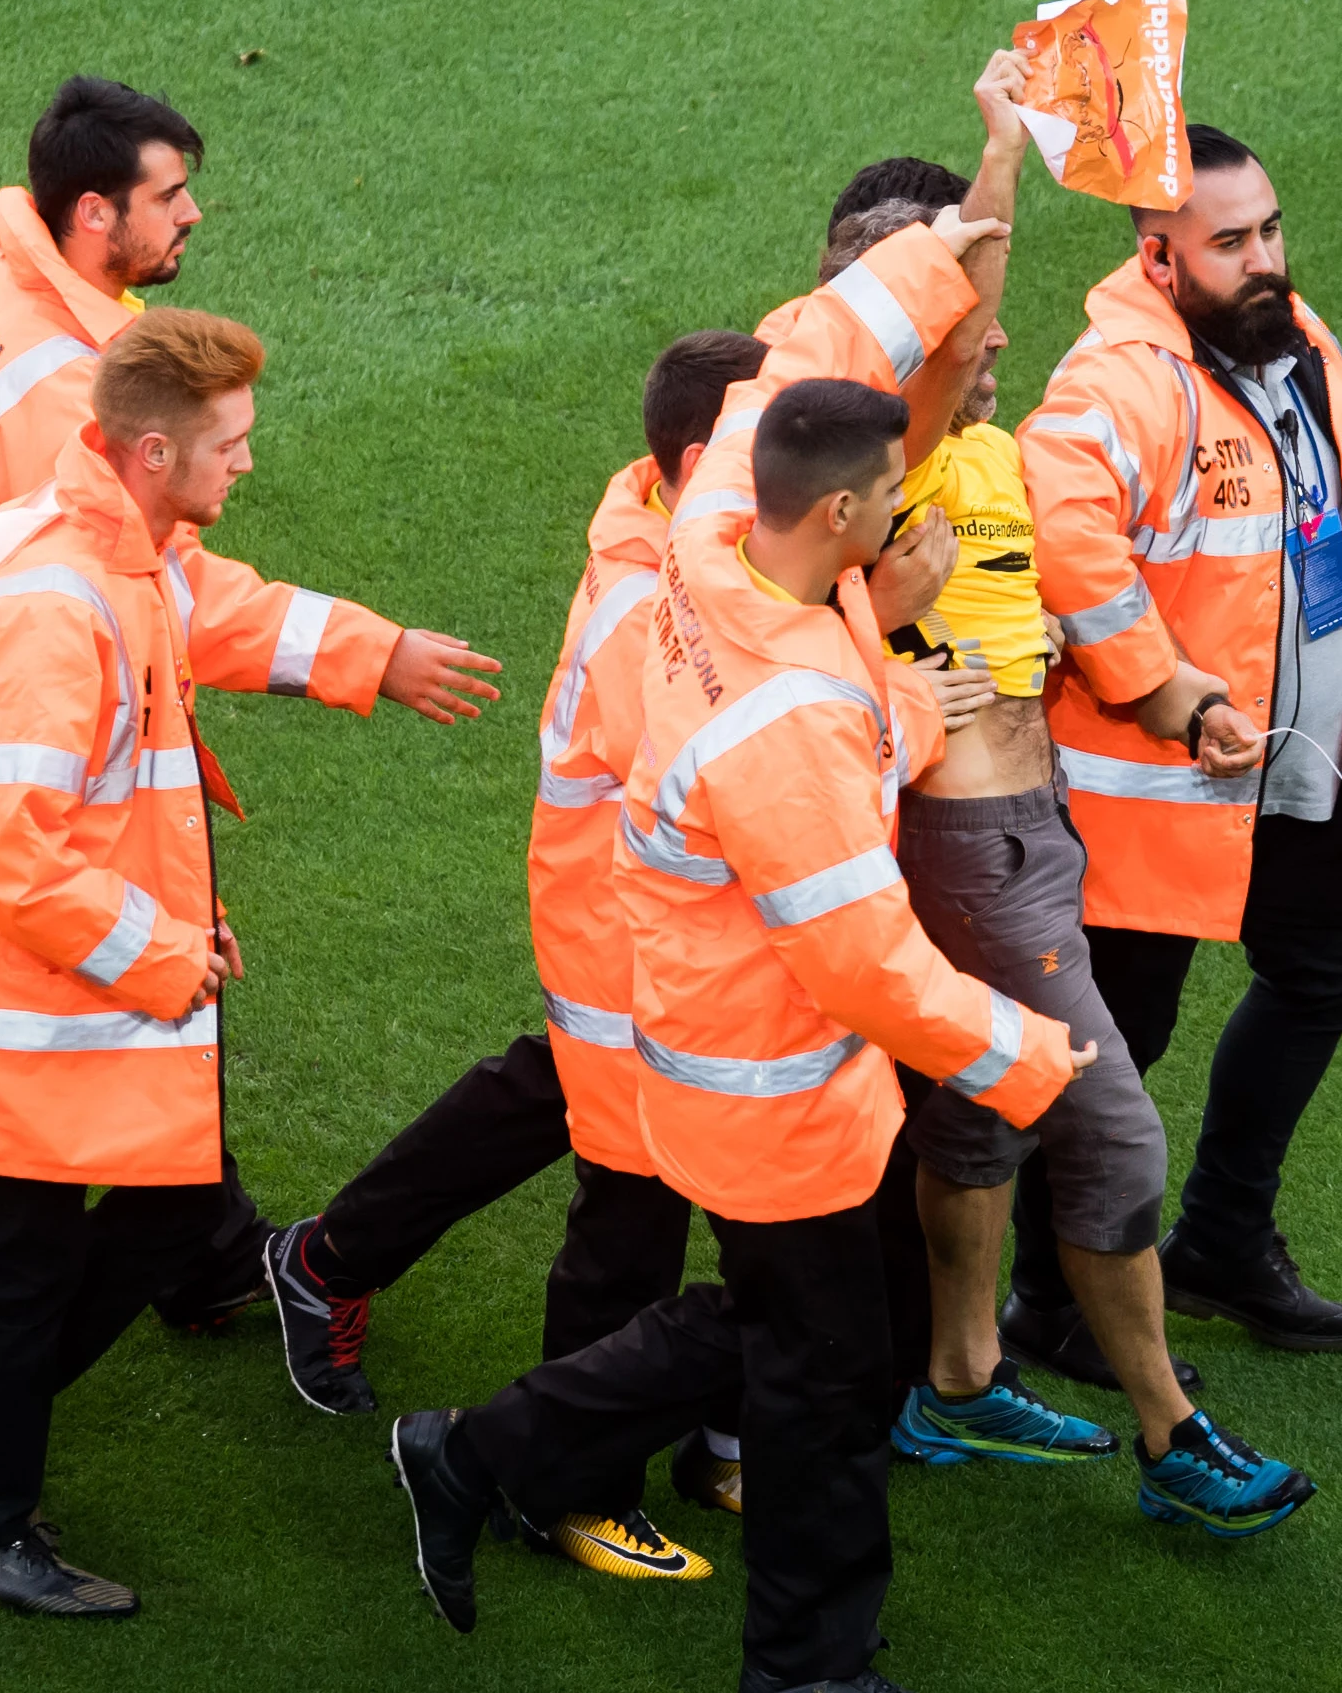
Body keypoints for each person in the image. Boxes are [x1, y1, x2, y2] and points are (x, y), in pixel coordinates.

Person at [0, 76, 498, 1383]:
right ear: (94, 208)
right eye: (170, 195)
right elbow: (161, 592)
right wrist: (363, 651)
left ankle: (202, 1244)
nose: (192, 215)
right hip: (7, 733)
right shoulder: (73, 391)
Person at [391, 378, 1075, 1693]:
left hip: (756, 1068)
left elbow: (841, 709)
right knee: (822, 1372)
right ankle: (807, 1666)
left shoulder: (715, 569)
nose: (908, 511)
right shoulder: (785, 716)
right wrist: (1026, 1054)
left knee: (795, 1331)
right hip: (779, 1089)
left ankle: (478, 1456)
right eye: (893, 495)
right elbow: (860, 953)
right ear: (835, 511)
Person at [807, 193, 1312, 1534]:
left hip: (1042, 832)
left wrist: (1181, 703)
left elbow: (1069, 616)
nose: (999, 340)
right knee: (1111, 1127)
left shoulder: (984, 454)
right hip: (965, 853)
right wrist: (996, 164)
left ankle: (958, 1380)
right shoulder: (878, 454)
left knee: (977, 1119)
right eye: (967, 324)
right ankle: (1173, 1433)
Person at [259, 331, 771, 1583]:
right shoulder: (656, 609)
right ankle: (568, 1484)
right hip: (636, 941)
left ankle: (323, 1260)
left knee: (558, 1103)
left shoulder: (689, 544)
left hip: (661, 936)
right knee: (634, 1210)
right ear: (704, 462)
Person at [0, 309, 295, 1617]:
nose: (247, 465)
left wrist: (174, 935)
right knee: (36, 1254)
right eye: (232, 445)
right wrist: (159, 950)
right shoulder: (61, 606)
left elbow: (98, 810)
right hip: (23, 1004)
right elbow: (11, 847)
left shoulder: (123, 560)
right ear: (153, 453)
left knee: (135, 1213)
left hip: (51, 993)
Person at [1017, 122, 1342, 1371]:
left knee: (1327, 968)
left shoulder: (1301, 345)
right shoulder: (1112, 385)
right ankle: (1048, 1302)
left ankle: (1215, 1240)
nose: (1264, 259)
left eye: (1268, 227)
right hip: (1151, 792)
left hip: (1301, 757)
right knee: (1113, 1047)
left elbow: (1340, 547)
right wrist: (1162, 691)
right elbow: (1067, 547)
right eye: (1230, 241)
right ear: (1158, 260)